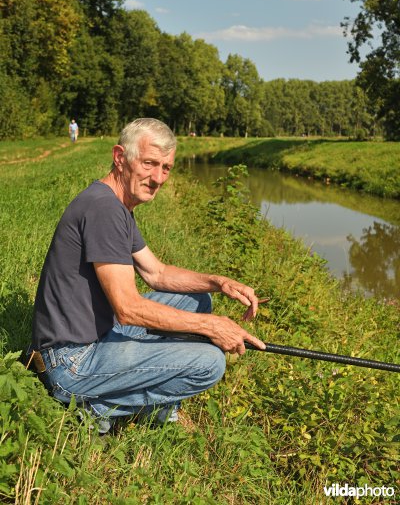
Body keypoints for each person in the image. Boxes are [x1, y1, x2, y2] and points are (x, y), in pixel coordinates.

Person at [30, 118, 265, 432]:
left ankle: (139, 396)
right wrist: (212, 326)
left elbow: (157, 273)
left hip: (96, 335)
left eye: (166, 167)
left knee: (197, 298)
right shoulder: (105, 210)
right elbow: (128, 309)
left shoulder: (115, 204)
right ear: (120, 157)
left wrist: (218, 282)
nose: (158, 178)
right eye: (149, 163)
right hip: (73, 362)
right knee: (209, 364)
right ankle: (94, 410)